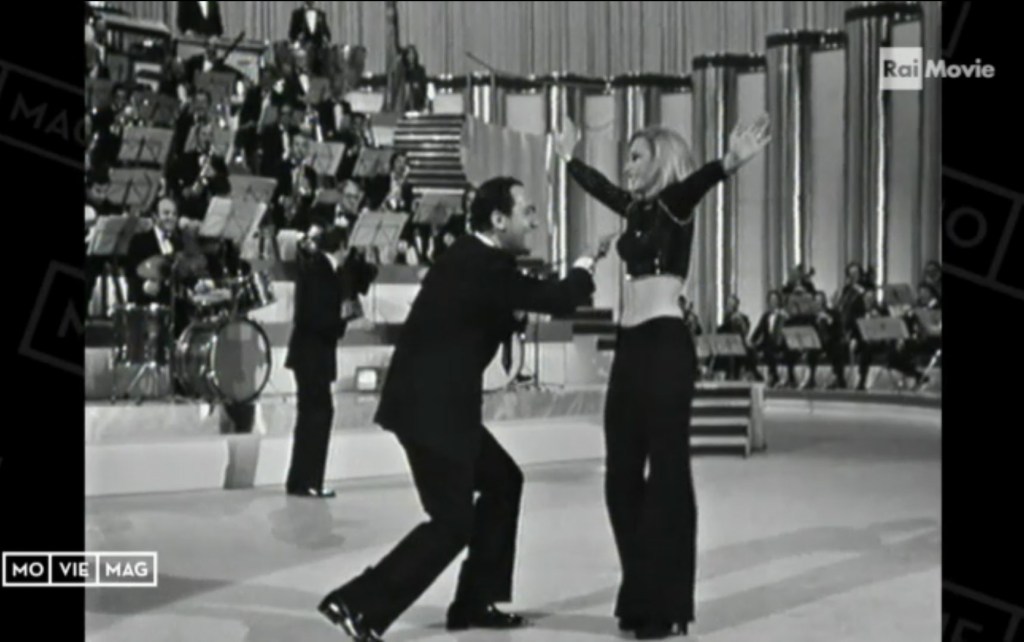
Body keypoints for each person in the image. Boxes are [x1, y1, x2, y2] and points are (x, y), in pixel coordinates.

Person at [317, 177, 606, 642]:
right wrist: (586, 263)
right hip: (432, 411)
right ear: (499, 220)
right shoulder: (483, 262)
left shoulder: (475, 259)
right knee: (452, 524)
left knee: (503, 482)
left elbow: (490, 308)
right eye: (527, 212)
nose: (533, 222)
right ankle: (357, 603)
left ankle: (474, 601)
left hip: (438, 406)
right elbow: (556, 298)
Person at [553, 114, 770, 639]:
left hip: (666, 346)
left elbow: (701, 182)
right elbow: (601, 187)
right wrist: (567, 159)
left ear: (661, 161)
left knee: (667, 474)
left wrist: (728, 162)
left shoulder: (675, 203)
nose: (627, 166)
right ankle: (641, 588)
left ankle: (665, 603)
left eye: (637, 157)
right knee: (620, 476)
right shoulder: (634, 210)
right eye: (627, 156)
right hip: (629, 348)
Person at [283, 226, 352, 497]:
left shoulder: (316, 268)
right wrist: (343, 322)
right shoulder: (323, 271)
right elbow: (315, 317)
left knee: (310, 416)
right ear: (342, 247)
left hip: (306, 354)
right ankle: (310, 481)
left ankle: (300, 480)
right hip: (314, 354)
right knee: (318, 416)